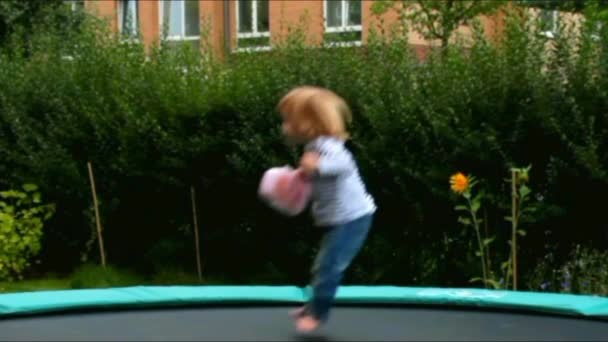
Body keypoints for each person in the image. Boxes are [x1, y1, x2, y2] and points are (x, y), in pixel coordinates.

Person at [277, 86, 376, 332]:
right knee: (323, 264)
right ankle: (314, 306)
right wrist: (298, 177)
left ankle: (318, 314)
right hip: (342, 218)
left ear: (309, 122)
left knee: (330, 265)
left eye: (289, 120)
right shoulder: (313, 147)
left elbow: (343, 163)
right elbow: (315, 177)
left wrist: (317, 166)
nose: (285, 126)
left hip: (354, 218)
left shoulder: (327, 146)